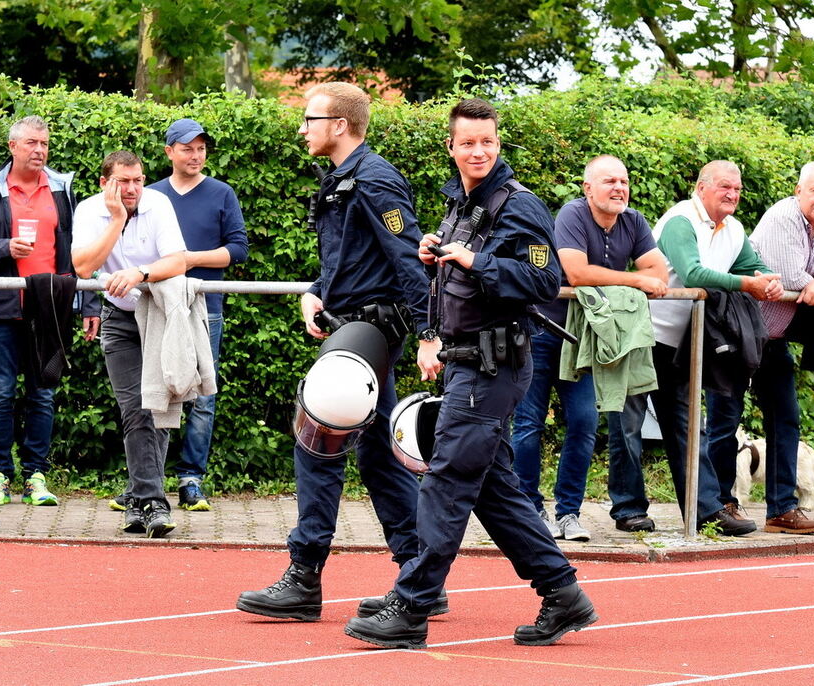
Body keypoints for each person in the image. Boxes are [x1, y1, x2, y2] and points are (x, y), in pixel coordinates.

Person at [344, 98, 597, 650]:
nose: (478, 151)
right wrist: (436, 258)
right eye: (468, 143)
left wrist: (474, 261)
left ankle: (412, 606)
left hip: (494, 365)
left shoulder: (518, 205)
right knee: (492, 490)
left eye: (487, 141)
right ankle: (563, 593)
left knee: (447, 482)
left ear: (497, 144)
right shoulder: (460, 204)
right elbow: (453, 282)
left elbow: (543, 278)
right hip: (466, 362)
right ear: (452, 148)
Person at [236, 82, 432, 622]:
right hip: (353, 327)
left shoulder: (374, 180)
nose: (302, 127)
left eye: (310, 117)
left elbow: (409, 261)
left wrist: (429, 335)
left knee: (317, 434)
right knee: (376, 452)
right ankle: (421, 576)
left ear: (339, 125)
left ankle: (304, 578)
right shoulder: (344, 180)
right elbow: (347, 258)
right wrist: (316, 291)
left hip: (373, 329)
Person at [616, 160, 783, 536]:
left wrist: (769, 281)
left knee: (689, 428)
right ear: (701, 187)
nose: (733, 195)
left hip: (681, 344)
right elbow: (692, 274)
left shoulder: (734, 228)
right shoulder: (680, 221)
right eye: (725, 187)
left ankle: (706, 510)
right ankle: (628, 510)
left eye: (737, 189)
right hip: (641, 335)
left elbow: (752, 266)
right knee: (627, 427)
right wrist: (748, 285)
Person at [512, 154, 667, 539]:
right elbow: (576, 273)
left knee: (583, 422)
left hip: (584, 339)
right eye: (609, 181)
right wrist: (634, 281)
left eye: (624, 181)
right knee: (529, 423)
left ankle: (568, 513)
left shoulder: (633, 221)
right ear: (588, 188)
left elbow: (660, 273)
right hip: (543, 330)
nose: (619, 188)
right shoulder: (572, 214)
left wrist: (633, 280)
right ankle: (529, 511)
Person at [708, 161, 814, 535]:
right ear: (798, 191)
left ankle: (782, 509)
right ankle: (719, 503)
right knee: (724, 420)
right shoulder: (782, 217)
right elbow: (785, 273)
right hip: (740, 332)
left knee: (786, 418)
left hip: (775, 337)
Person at [0, 115, 97, 508]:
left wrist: (88, 302)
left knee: (43, 393)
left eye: (44, 144)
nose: (39, 150)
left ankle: (36, 476)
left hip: (50, 308)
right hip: (1, 308)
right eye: (31, 144)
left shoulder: (62, 188)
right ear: (12, 147)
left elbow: (81, 251)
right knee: (0, 394)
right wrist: (3, 248)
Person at [72, 150, 188, 538]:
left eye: (138, 180)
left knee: (161, 405)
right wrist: (117, 220)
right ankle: (154, 501)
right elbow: (83, 266)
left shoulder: (160, 205)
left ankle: (139, 500)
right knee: (136, 407)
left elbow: (178, 261)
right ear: (106, 183)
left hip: (159, 313)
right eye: (124, 181)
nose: (134, 188)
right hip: (119, 317)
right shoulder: (90, 210)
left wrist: (140, 272)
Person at [147, 118, 248, 511]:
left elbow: (237, 250)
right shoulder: (151, 196)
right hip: (158, 306)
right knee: (157, 391)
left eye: (201, 148)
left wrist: (188, 260)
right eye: (187, 148)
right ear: (169, 152)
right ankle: (148, 481)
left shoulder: (222, 193)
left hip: (208, 308)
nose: (196, 155)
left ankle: (191, 479)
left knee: (203, 396)